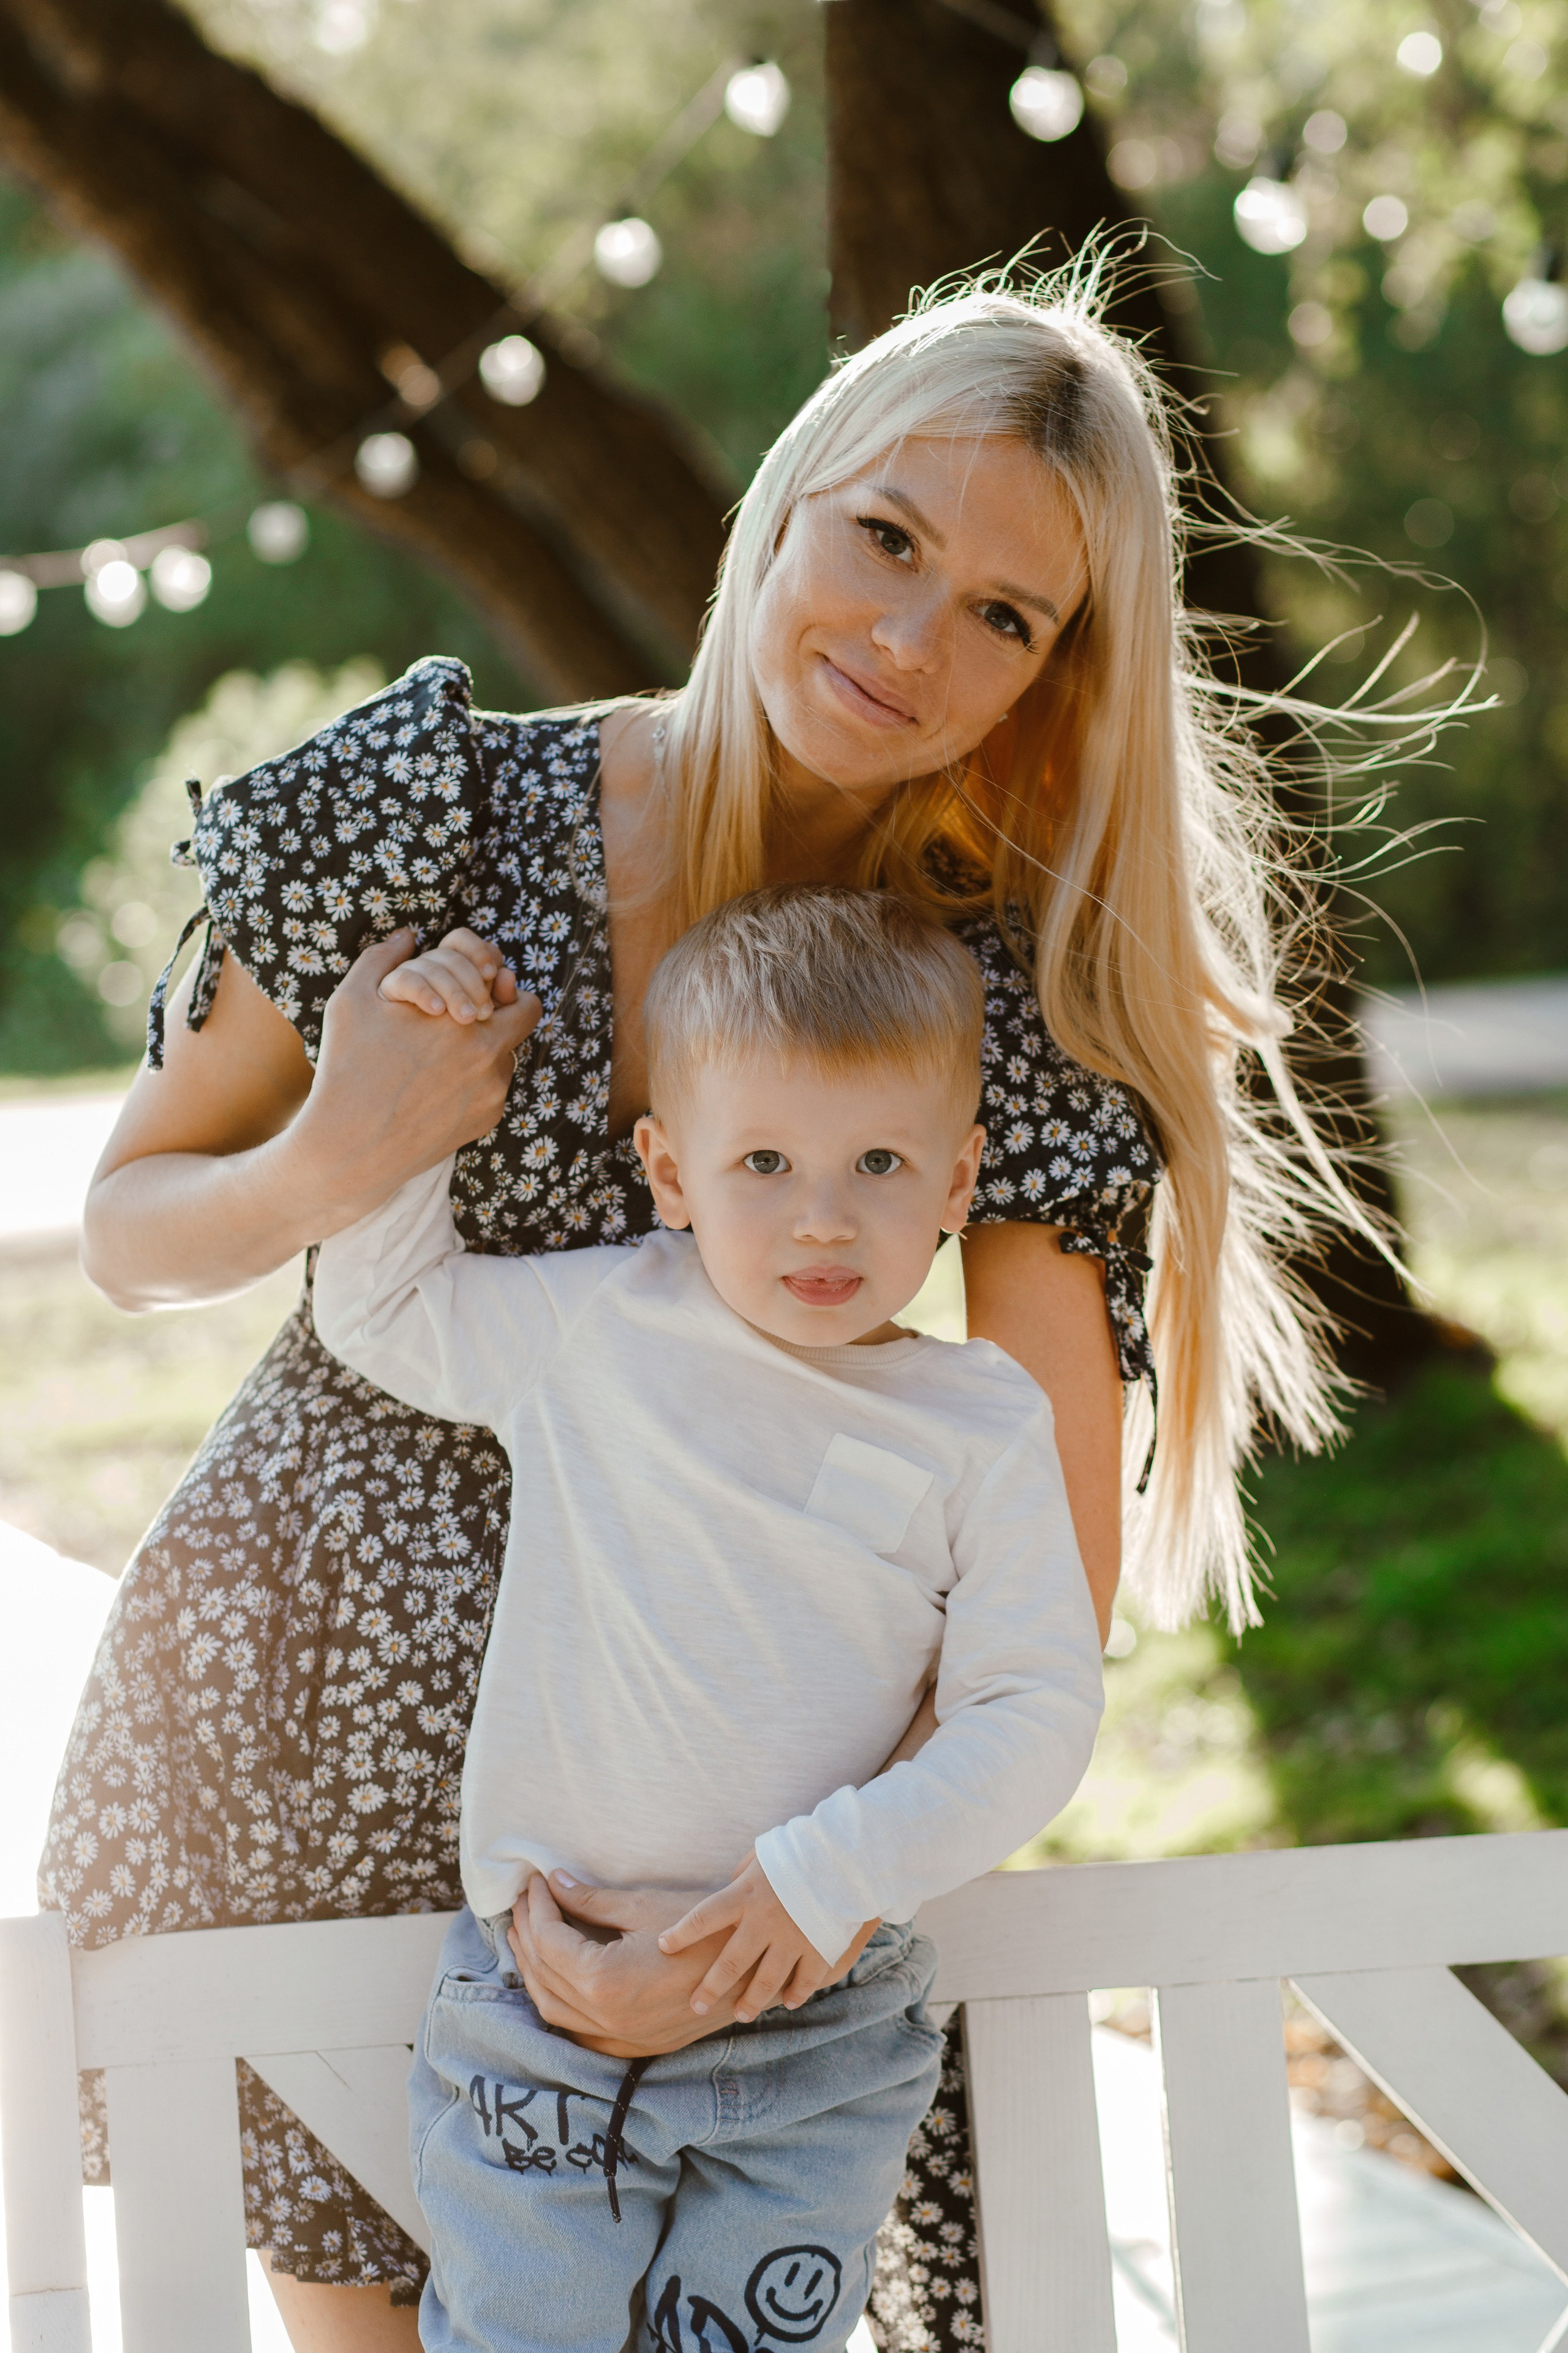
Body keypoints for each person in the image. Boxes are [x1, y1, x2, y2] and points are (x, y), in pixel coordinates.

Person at [46, 269, 1351, 2352]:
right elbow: (129, 1226)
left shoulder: (1005, 999)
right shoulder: (432, 823)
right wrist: (335, 1154)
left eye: (1007, 616)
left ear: (1052, 680)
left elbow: (1038, 1564)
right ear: (790, 494)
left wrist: (782, 1906)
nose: (917, 642)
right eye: (890, 540)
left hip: (751, 1822)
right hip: (324, 1724)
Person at [310, 886, 1104, 2351]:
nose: (821, 1213)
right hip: (543, 1993)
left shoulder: (979, 1420)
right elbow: (382, 1312)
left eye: (878, 1161)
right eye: (761, 1161)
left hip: (813, 2015)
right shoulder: (602, 1324)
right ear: (668, 1171)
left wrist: (826, 1877)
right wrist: (406, 1103)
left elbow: (1035, 1706)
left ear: (955, 1180)